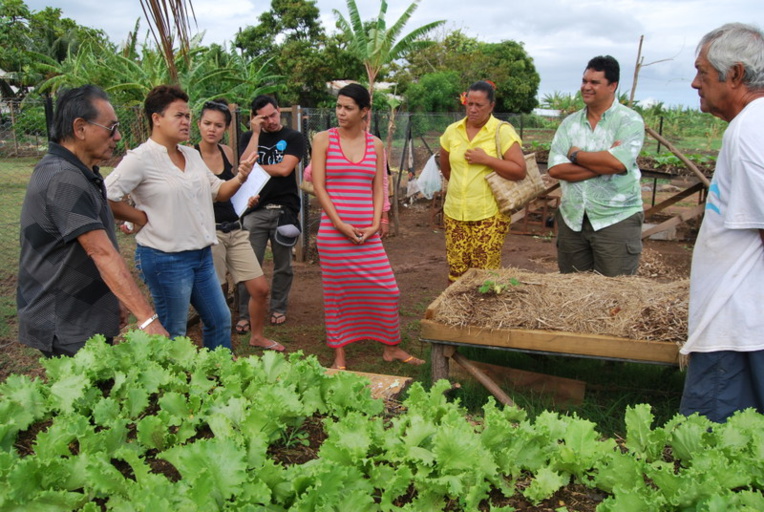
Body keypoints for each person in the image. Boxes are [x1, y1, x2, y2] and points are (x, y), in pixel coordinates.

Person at [17, 85, 168, 357]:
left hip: (80, 312)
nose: (118, 136)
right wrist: (148, 319)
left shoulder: (80, 172)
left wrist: (113, 300)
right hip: (64, 320)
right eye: (111, 128)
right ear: (80, 128)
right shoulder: (64, 178)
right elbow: (100, 251)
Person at [105, 85, 256, 351]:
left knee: (220, 320)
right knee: (173, 331)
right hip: (166, 258)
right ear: (157, 118)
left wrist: (241, 177)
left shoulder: (192, 154)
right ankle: (169, 387)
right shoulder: (140, 158)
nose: (186, 121)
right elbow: (105, 196)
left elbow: (219, 192)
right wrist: (140, 217)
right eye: (179, 115)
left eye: (187, 115)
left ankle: (216, 379)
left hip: (201, 256)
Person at [679, 23, 764, 423]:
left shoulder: (750, 129)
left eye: (702, 72)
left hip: (738, 327)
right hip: (744, 324)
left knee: (718, 453)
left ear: (735, 75)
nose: (695, 83)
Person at [311, 83, 425, 370]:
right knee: (337, 294)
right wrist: (338, 223)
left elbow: (379, 187)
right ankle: (339, 355)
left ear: (364, 111)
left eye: (348, 108)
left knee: (388, 289)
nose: (341, 112)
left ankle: (391, 348)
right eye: (338, 106)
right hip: (334, 234)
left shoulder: (375, 144)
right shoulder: (323, 140)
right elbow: (319, 186)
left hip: (367, 233)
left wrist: (377, 222)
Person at [195, 99, 284, 351]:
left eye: (219, 125)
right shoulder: (190, 155)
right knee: (216, 294)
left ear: (226, 128)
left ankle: (257, 337)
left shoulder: (227, 152)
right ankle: (215, 348)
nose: (212, 129)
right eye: (207, 123)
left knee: (260, 288)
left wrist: (246, 200)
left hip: (235, 227)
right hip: (209, 231)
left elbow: (231, 188)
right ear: (198, 124)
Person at [547, 56, 645, 276]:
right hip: (573, 220)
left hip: (616, 219)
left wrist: (575, 154)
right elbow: (555, 169)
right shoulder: (569, 123)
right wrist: (604, 164)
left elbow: (617, 162)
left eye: (594, 82)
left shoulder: (629, 121)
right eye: (584, 81)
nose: (586, 87)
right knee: (574, 294)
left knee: (614, 294)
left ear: (613, 86)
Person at [439, 80, 527, 283]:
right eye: (469, 103)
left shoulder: (502, 131)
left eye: (479, 105)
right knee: (457, 270)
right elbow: (446, 167)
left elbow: (519, 170)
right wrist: (461, 189)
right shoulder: (453, 131)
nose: (473, 109)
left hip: (489, 215)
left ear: (491, 106)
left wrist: (487, 160)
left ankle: (483, 314)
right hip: (455, 213)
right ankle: (458, 313)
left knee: (484, 274)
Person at [237, 95, 306, 329]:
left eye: (273, 114)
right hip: (254, 210)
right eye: (264, 118)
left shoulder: (293, 137)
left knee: (283, 265)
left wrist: (253, 168)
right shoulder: (249, 137)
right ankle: (245, 313)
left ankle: (278, 307)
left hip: (284, 211)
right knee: (248, 264)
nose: (271, 121)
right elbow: (243, 164)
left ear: (279, 110)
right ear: (255, 118)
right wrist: (256, 134)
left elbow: (285, 169)